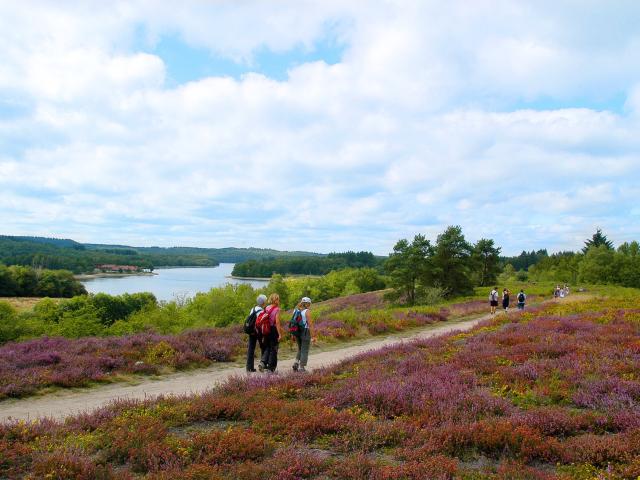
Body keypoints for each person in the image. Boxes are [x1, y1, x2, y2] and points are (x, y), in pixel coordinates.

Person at [258, 293, 283, 372]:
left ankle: (263, 362)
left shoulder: (266, 308)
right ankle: (271, 368)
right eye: (277, 299)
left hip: (266, 330)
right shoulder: (277, 309)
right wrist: (279, 334)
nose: (278, 300)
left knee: (268, 347)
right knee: (273, 349)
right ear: (275, 300)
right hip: (273, 330)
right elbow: (277, 322)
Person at [292, 297, 316, 373]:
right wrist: (313, 336)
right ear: (308, 304)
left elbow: (293, 323)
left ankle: (296, 363)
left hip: (297, 331)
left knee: (300, 348)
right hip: (305, 331)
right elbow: (310, 324)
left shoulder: (295, 310)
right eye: (309, 304)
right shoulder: (307, 311)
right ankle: (302, 368)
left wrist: (292, 335)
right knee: (304, 350)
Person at [245, 294, 267, 372]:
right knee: (264, 347)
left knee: (251, 349)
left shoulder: (253, 308)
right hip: (258, 332)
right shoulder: (261, 311)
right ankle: (263, 364)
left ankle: (249, 367)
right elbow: (260, 323)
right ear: (263, 302)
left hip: (251, 331)